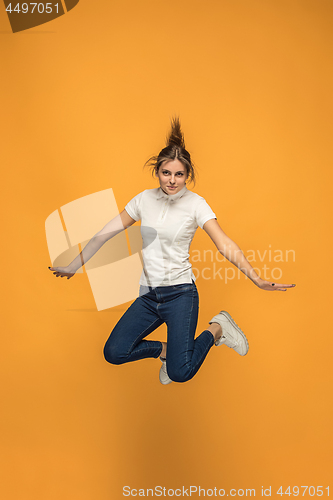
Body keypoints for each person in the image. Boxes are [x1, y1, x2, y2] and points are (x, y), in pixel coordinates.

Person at [48, 117, 296, 385]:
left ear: (187, 175)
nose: (172, 181)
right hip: (150, 296)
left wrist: (256, 278)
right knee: (114, 351)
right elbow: (106, 233)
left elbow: (223, 243)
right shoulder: (143, 200)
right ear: (157, 171)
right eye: (167, 173)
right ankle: (165, 352)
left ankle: (218, 328)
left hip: (180, 295)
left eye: (179, 174)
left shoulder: (196, 204)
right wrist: (75, 264)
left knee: (180, 372)